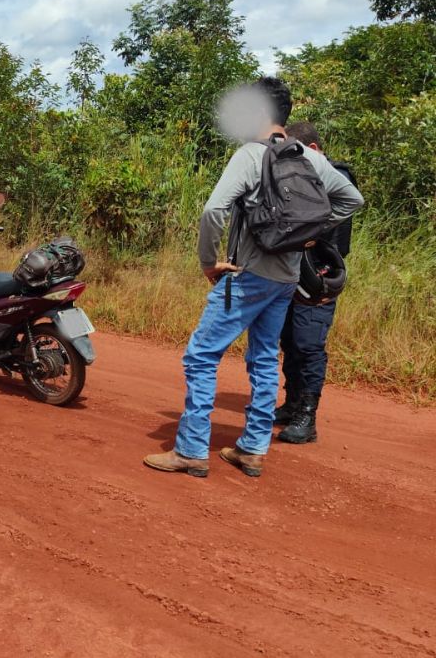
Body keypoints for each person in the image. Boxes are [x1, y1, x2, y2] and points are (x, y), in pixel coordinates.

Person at [143, 77, 363, 478]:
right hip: (286, 279)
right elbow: (352, 198)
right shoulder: (310, 158)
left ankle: (191, 450)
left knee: (201, 356)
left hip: (246, 276)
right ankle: (252, 449)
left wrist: (208, 263)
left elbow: (213, 211)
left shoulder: (250, 155)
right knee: (263, 359)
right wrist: (306, 234)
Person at [275, 121, 357, 444]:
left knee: (308, 342)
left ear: (312, 149)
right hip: (290, 269)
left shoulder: (337, 175)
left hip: (319, 274)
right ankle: (292, 403)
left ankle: (307, 417)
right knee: (289, 339)